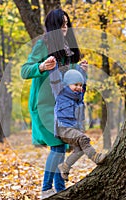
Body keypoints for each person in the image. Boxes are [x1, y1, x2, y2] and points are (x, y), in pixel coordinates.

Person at [20, 8, 88, 199]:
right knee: (57, 146)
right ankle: (46, 190)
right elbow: (24, 71)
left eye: (67, 24)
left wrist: (80, 70)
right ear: (53, 26)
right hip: (43, 107)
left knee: (61, 147)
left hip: (62, 106)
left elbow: (68, 77)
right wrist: (41, 66)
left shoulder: (68, 49)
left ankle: (59, 190)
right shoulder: (43, 45)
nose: (64, 28)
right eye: (61, 24)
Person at [50, 69, 106, 181]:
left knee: (80, 150)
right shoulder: (60, 93)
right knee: (83, 139)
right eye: (75, 84)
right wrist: (53, 67)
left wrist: (84, 72)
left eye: (80, 85)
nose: (79, 87)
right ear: (67, 84)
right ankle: (95, 157)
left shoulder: (78, 98)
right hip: (63, 128)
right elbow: (55, 80)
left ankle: (65, 166)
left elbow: (83, 88)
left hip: (73, 128)